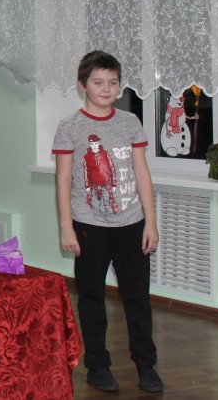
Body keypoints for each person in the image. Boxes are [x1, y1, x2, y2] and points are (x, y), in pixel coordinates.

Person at [52, 50, 163, 394]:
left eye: (113, 82)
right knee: (91, 297)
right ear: (82, 85)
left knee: (137, 298)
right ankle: (97, 365)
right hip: (89, 225)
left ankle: (146, 365)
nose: (106, 88)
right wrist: (66, 227)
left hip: (132, 224)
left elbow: (141, 172)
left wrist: (150, 221)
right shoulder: (70, 126)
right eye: (98, 82)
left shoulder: (130, 122)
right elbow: (64, 179)